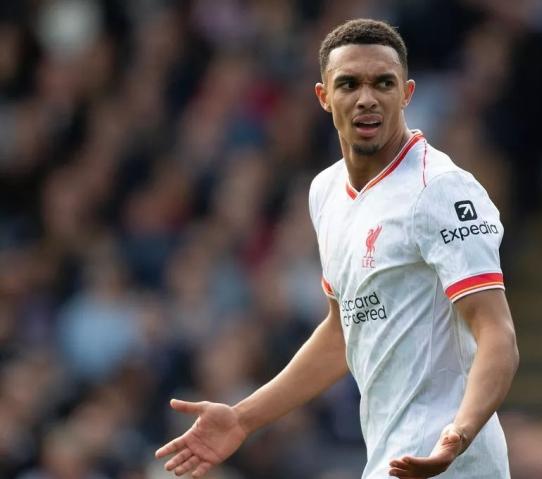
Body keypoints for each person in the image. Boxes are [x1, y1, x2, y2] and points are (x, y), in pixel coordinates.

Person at [155, 18, 518, 479]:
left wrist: (458, 434)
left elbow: (498, 335)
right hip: (391, 458)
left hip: (454, 462)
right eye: (349, 84)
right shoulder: (326, 192)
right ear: (324, 96)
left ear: (406, 94)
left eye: (383, 83)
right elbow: (342, 332)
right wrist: (244, 418)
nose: (367, 98)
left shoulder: (441, 190)